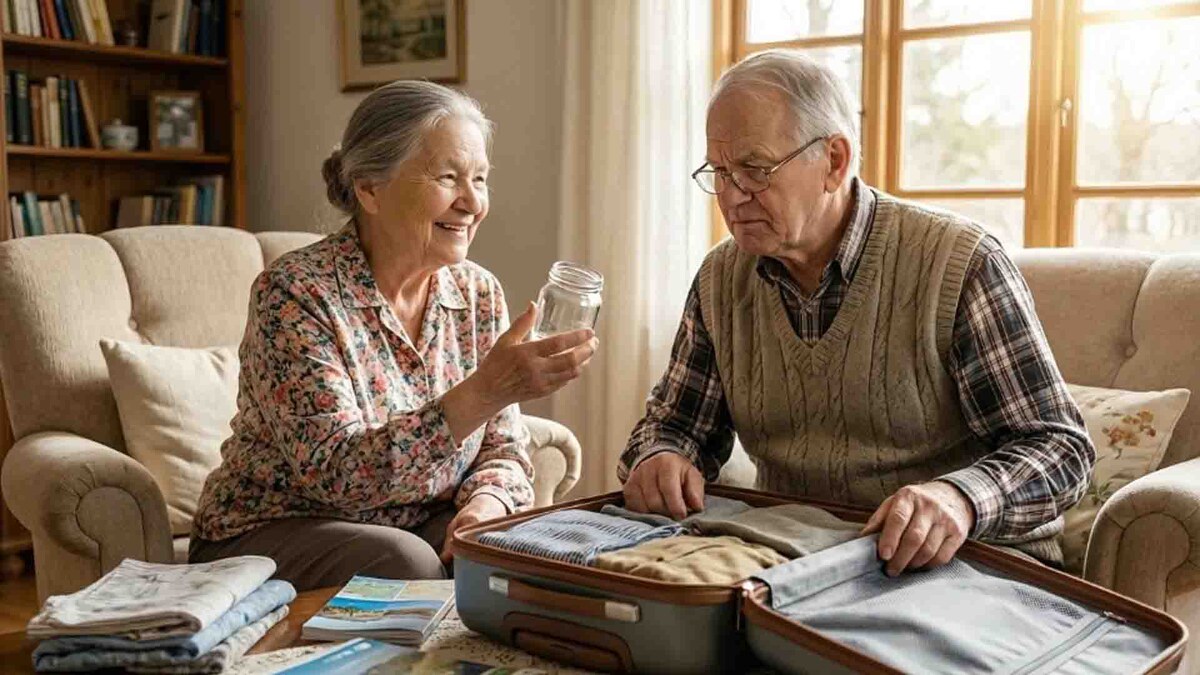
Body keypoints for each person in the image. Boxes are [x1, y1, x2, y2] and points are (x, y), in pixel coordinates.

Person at [620, 50, 1094, 575]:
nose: (731, 197)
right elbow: (675, 425)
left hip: (963, 563)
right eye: (720, 172)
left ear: (835, 161)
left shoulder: (957, 263)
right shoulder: (720, 278)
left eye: (754, 169)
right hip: (796, 555)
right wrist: (659, 455)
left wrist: (960, 499)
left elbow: (1059, 449)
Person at [191, 81, 598, 590]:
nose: (472, 202)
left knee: (513, 551)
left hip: (407, 524)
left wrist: (484, 506)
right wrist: (487, 391)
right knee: (407, 563)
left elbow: (504, 449)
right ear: (369, 188)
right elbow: (336, 475)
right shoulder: (296, 293)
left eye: (480, 179)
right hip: (276, 525)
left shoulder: (478, 293)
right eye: (449, 178)